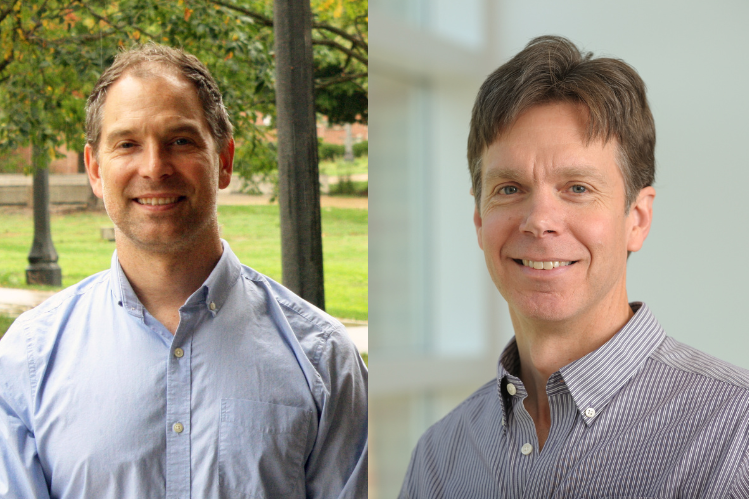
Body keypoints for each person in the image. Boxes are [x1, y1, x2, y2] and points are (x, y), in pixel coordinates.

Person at [0, 43, 367, 499]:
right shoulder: (27, 361)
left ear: (225, 161)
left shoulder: (323, 360)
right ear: (95, 170)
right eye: (127, 144)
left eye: (180, 141)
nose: (154, 168)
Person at [399, 36, 749, 498]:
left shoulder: (736, 436)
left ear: (637, 219)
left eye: (578, 188)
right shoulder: (439, 456)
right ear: (480, 219)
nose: (539, 220)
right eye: (509, 188)